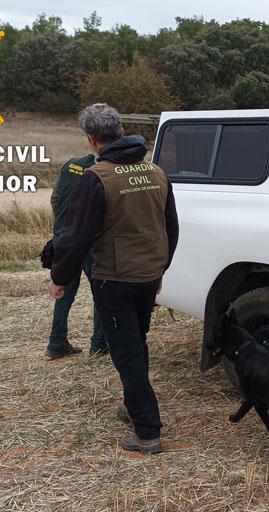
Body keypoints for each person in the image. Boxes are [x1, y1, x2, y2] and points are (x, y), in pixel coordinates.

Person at [48, 103, 179, 454]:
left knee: (126, 353)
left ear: (92, 140)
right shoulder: (156, 172)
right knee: (136, 341)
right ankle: (132, 405)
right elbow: (171, 228)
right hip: (149, 275)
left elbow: (77, 237)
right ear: (120, 131)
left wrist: (60, 277)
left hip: (115, 279)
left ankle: (147, 431)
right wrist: (161, 268)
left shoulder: (98, 177)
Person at [46, 150, 107, 360]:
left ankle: (56, 342)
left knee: (63, 291)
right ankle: (99, 345)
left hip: (64, 239)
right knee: (100, 291)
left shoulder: (71, 165)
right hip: (89, 242)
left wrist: (61, 229)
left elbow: (55, 199)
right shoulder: (103, 170)